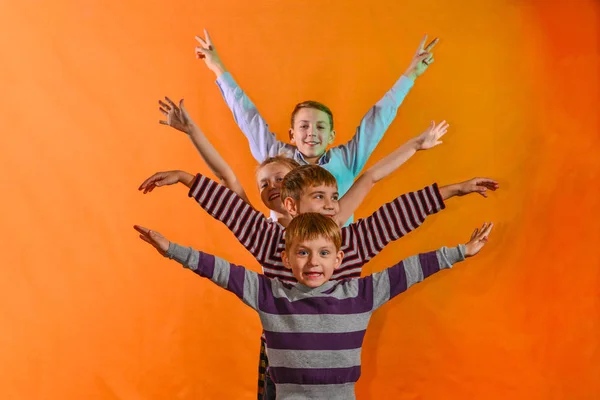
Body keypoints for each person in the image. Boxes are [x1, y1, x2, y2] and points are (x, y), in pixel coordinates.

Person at [133, 213, 494, 399]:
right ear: (287, 259)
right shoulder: (270, 296)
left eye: (323, 253)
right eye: (302, 253)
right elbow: (221, 271)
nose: (312, 262)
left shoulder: (361, 293)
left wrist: (459, 252)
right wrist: (172, 250)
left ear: (338, 259)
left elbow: (409, 270)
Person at [194, 30, 440, 223]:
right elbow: (247, 116)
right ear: (292, 134)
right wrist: (217, 67)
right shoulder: (277, 158)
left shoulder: (346, 159)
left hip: (334, 254)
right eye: (304, 126)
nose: (311, 132)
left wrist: (410, 75)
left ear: (331, 135)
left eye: (320, 127)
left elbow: (377, 119)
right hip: (284, 254)